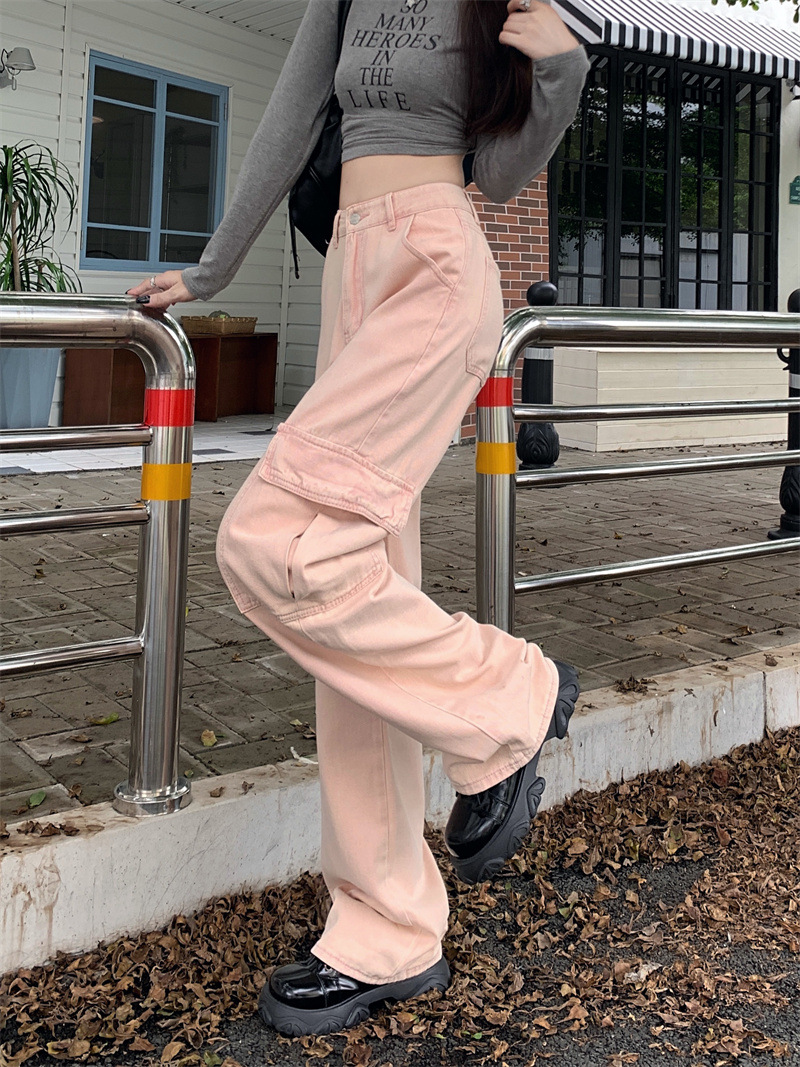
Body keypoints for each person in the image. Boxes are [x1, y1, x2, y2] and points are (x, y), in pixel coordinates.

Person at [128, 0, 590, 1038]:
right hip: (352, 269)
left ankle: (510, 695)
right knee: (351, 600)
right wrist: (210, 271)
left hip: (434, 266)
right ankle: (387, 927)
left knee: (269, 540)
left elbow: (499, 174)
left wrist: (563, 75)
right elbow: (289, 123)